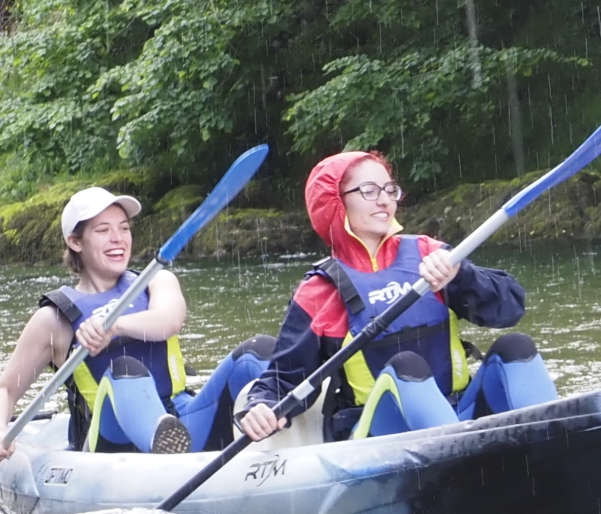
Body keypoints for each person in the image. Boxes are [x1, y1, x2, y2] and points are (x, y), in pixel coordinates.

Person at [237, 150, 555, 443]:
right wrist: (260, 407)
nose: (385, 200)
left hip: (457, 413)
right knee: (406, 367)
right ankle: (461, 460)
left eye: (390, 190)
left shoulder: (430, 254)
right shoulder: (321, 290)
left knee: (517, 347)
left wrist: (461, 276)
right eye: (369, 191)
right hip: (378, 433)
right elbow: (283, 379)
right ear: (336, 202)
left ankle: (559, 442)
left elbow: (510, 307)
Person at [0, 187, 193, 462]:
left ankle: (253, 426)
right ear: (75, 242)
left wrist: (113, 326)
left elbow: (169, 321)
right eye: (103, 230)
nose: (118, 239)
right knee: (124, 371)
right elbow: (4, 391)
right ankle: (158, 443)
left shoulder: (156, 281)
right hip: (109, 441)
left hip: (178, 417)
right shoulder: (55, 319)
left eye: (124, 228)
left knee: (254, 352)